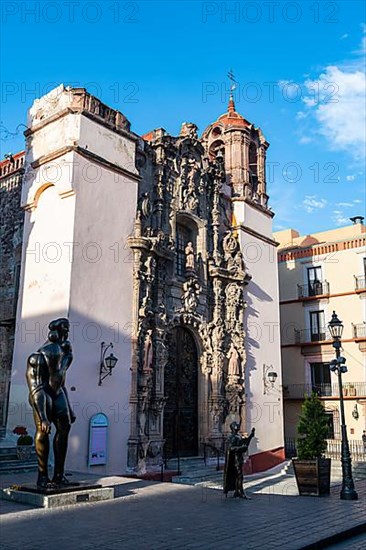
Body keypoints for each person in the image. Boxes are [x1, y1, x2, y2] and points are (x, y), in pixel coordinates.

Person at [26, 318, 76, 489]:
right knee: (43, 430)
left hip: (57, 393)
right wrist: (43, 416)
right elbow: (36, 387)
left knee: (65, 427)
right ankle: (42, 476)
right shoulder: (39, 357)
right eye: (64, 330)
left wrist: (68, 407)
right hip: (42, 393)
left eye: (68, 329)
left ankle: (59, 475)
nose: (67, 333)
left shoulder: (63, 352)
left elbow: (60, 381)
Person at [223, 422, 255, 499]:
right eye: (236, 425)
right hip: (235, 459)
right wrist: (241, 448)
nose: (238, 425)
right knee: (239, 476)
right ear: (233, 427)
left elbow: (244, 443)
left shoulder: (238, 436)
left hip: (239, 458)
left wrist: (251, 435)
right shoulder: (232, 437)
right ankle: (241, 492)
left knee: (239, 476)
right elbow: (231, 448)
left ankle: (238, 491)